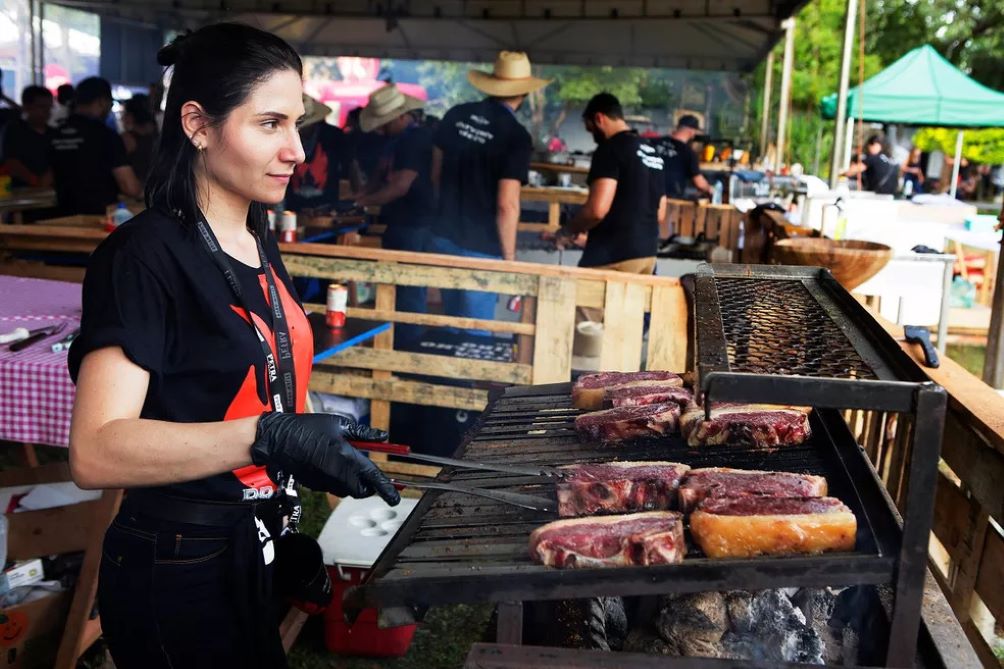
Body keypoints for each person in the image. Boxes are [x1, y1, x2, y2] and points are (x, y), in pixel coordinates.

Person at [67, 23, 398, 669]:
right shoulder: (143, 256)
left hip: (251, 546)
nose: (297, 149)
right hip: (177, 558)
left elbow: (242, 388)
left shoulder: (255, 236)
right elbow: (96, 449)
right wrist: (271, 434)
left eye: (296, 123)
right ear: (197, 123)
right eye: (270, 122)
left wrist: (305, 452)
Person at [430, 51, 550, 321]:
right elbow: (507, 205)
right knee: (474, 332)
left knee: (449, 321)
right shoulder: (516, 137)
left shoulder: (455, 115)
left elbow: (435, 175)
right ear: (524, 93)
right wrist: (509, 260)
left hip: (443, 235)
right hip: (482, 247)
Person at [355, 84, 435, 342]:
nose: (382, 128)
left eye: (386, 122)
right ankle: (397, 341)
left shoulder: (415, 140)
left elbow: (400, 186)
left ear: (402, 116)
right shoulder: (396, 141)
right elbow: (379, 177)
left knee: (409, 288)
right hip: (400, 221)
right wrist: (361, 197)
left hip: (415, 223)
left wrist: (362, 203)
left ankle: (408, 344)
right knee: (397, 287)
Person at [561, 92, 666, 282]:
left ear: (599, 118)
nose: (593, 137)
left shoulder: (610, 149)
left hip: (612, 256)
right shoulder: (652, 152)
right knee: (629, 313)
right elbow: (660, 213)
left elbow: (597, 210)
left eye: (591, 130)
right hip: (647, 256)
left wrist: (567, 231)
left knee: (587, 310)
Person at [50, 77, 142, 215]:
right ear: (102, 101)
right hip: (98, 219)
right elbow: (130, 187)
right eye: (110, 103)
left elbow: (47, 178)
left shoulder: (56, 134)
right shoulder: (105, 135)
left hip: (61, 217)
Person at [285, 94, 347, 213]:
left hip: (326, 207)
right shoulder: (285, 138)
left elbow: (345, 170)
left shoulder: (334, 137)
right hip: (292, 208)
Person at [1, 86, 54, 188]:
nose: (47, 111)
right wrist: (36, 182)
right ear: (27, 107)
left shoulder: (54, 134)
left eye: (50, 107)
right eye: (41, 107)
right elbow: (12, 162)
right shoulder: (14, 130)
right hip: (20, 192)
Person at [649, 114, 713, 199]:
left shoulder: (654, 142)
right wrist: (710, 189)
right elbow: (700, 183)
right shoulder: (688, 153)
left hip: (646, 195)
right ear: (692, 132)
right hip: (671, 200)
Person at [121, 94, 159, 185]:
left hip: (135, 192)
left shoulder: (126, 139)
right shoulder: (159, 137)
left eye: (125, 113)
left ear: (131, 116)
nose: (122, 117)